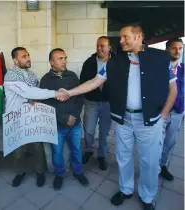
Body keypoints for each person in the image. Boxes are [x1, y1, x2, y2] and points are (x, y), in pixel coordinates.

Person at [60, 24, 177, 210]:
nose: (120, 41)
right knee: (124, 157)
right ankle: (126, 189)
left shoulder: (160, 58)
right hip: (123, 121)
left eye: (125, 37)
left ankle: (147, 197)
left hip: (150, 121)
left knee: (149, 161)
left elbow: (173, 89)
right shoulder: (114, 63)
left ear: (139, 37)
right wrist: (70, 92)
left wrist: (163, 115)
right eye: (120, 37)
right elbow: (94, 81)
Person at [3, 47, 69, 187]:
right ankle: (20, 173)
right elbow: (27, 91)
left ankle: (40, 173)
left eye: (28, 55)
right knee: (19, 151)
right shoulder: (10, 76)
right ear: (15, 60)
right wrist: (55, 93)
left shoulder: (32, 75)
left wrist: (35, 99)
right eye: (24, 56)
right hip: (16, 118)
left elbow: (35, 93)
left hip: (31, 117)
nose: (28, 58)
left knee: (37, 147)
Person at [40, 48, 89, 190]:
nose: (64, 61)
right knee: (57, 152)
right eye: (60, 58)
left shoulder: (73, 76)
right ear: (51, 62)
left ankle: (78, 172)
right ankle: (59, 175)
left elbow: (80, 97)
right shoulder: (45, 80)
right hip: (57, 125)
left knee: (77, 149)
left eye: (65, 58)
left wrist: (74, 116)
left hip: (74, 124)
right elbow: (46, 104)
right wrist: (63, 118)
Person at [80, 36, 114, 170]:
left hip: (107, 103)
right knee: (88, 130)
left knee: (104, 131)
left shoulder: (116, 62)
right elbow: (83, 80)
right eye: (98, 45)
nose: (99, 48)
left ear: (109, 47)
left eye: (103, 46)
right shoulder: (89, 62)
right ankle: (88, 150)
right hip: (91, 102)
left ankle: (101, 155)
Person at [159, 38, 184, 181]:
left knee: (170, 142)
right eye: (174, 48)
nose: (177, 51)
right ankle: (153, 167)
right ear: (167, 49)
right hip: (161, 111)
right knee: (157, 142)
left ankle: (162, 166)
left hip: (177, 113)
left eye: (180, 48)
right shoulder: (160, 67)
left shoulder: (184, 69)